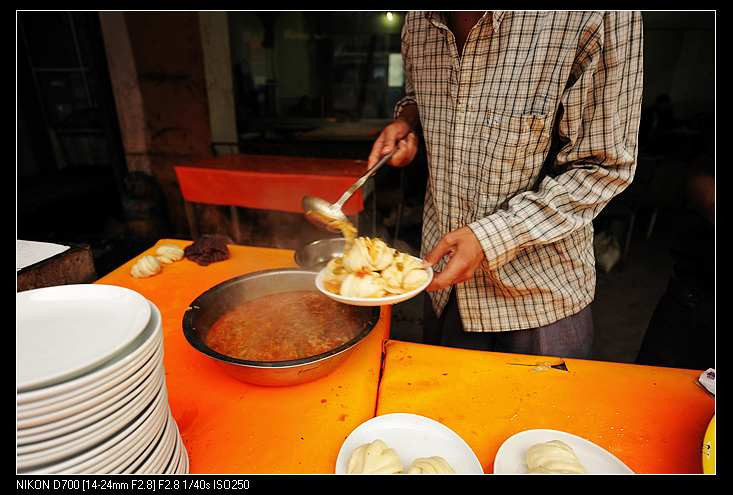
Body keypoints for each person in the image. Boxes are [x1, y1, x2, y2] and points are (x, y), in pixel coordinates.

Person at [368, 11, 644, 358]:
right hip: (443, 288)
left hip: (538, 300)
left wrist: (489, 238)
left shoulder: (593, 16)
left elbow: (604, 167)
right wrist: (408, 121)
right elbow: (419, 95)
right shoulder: (418, 20)